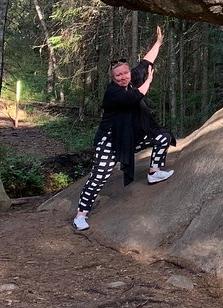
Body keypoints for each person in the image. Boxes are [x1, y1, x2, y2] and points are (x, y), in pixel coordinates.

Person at [73, 25, 175, 231]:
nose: (123, 77)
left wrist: (158, 43)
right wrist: (150, 81)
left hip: (131, 137)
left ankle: (154, 171)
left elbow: (147, 62)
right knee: (99, 176)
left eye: (125, 73)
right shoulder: (113, 93)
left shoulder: (133, 78)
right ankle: (80, 215)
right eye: (118, 75)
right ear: (112, 77)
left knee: (163, 137)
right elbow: (136, 97)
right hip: (110, 141)